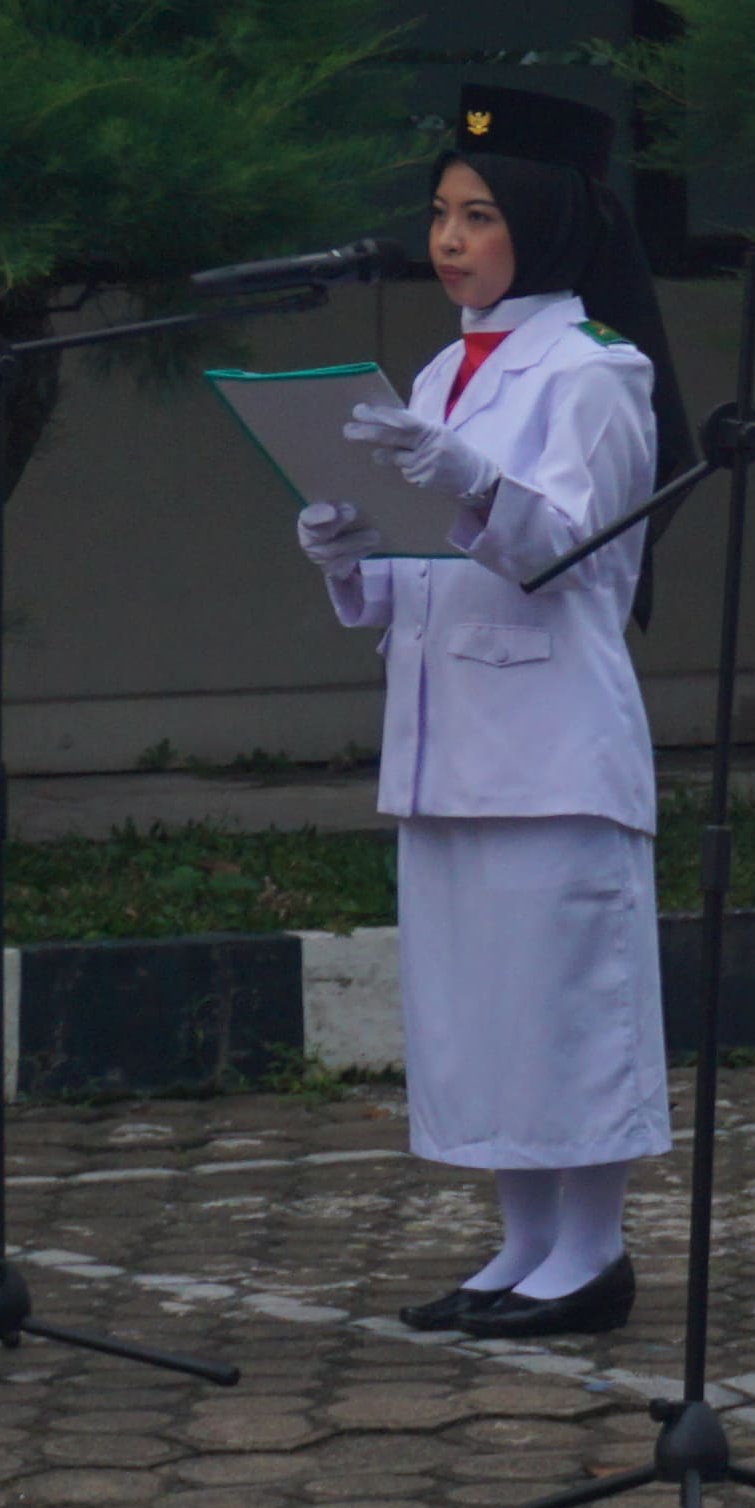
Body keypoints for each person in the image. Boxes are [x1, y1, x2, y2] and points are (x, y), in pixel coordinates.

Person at [297, 89, 679, 1341]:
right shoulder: (438, 372)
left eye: (480, 216)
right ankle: (521, 1243)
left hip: (553, 739)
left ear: (550, 226)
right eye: (441, 216)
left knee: (567, 1001)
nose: (449, 240)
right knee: (483, 1013)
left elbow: (567, 552)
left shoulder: (599, 373)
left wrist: (465, 478)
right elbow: (422, 573)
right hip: (446, 737)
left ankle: (593, 1251)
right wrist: (350, 550)